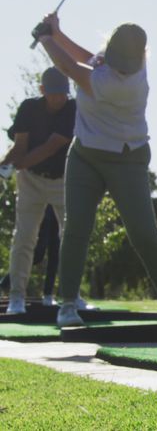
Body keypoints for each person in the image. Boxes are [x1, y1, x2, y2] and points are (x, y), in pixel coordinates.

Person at [32, 13, 157, 327]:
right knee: (76, 229)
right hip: (85, 156)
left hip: (127, 160)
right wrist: (58, 33)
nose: (121, 67)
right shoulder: (113, 60)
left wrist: (45, 39)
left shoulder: (124, 83)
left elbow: (69, 67)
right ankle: (68, 305)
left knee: (144, 233)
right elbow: (86, 58)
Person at [0, 67, 85, 314]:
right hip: (31, 180)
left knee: (72, 236)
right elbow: (20, 147)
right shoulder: (28, 108)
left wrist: (15, 166)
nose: (59, 98)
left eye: (63, 93)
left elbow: (50, 147)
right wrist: (4, 167)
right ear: (42, 90)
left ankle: (72, 296)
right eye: (54, 93)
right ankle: (17, 297)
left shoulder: (73, 109)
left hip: (63, 180)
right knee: (24, 237)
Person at [0, 206, 61, 306]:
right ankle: (5, 282)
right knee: (38, 254)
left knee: (55, 252)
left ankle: (48, 294)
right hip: (46, 206)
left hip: (60, 206)